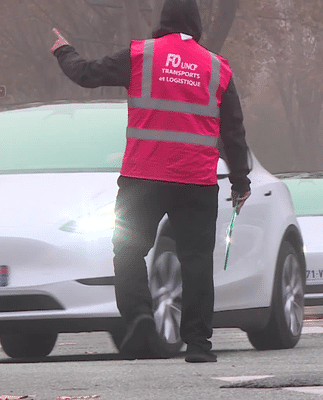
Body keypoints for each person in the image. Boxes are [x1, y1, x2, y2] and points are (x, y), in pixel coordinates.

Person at [50, 0, 251, 363]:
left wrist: (64, 50)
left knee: (128, 251)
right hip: (197, 180)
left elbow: (86, 75)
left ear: (162, 22)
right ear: (197, 25)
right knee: (195, 261)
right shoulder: (216, 67)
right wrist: (240, 181)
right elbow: (233, 131)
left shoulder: (140, 55)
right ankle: (199, 345)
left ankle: (140, 317)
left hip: (143, 177)